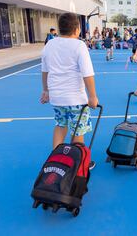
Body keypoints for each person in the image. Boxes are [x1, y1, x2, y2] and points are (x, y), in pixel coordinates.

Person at [40, 12, 99, 169]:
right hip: (75, 98)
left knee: (60, 125)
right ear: (77, 29)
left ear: (60, 29)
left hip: (57, 97)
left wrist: (45, 91)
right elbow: (87, 73)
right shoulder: (79, 45)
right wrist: (92, 96)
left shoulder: (49, 45)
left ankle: (55, 159)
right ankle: (78, 164)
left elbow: (45, 71)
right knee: (77, 130)